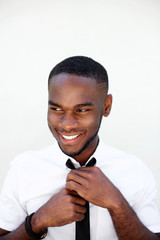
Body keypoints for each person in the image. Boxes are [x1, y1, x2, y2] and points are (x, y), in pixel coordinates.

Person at [0, 56, 160, 240]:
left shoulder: (135, 170)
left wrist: (117, 204)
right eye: (56, 109)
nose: (67, 124)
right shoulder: (23, 168)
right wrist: (38, 221)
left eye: (82, 110)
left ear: (106, 106)